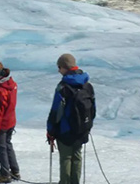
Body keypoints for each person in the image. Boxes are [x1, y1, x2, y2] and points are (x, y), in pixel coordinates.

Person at [46, 53, 95, 184]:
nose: (58, 70)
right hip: (82, 129)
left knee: (66, 158)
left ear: (65, 67)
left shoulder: (63, 87)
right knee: (77, 157)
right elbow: (93, 109)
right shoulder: (87, 85)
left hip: (65, 130)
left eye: (59, 67)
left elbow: (56, 111)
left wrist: (50, 130)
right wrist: (87, 126)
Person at [0, 60, 20, 183]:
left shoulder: (0, 90)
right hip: (11, 120)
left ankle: (5, 174)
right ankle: (15, 171)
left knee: (1, 148)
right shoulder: (11, 84)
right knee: (8, 145)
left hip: (2, 124)